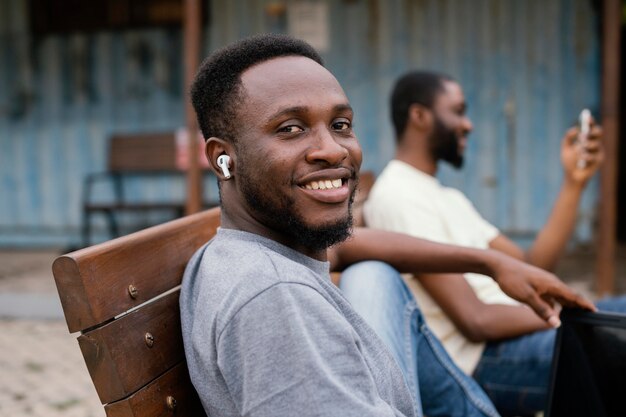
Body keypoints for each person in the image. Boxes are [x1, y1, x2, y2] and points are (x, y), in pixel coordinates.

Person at [180, 35, 594, 417]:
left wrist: (490, 264)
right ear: (223, 159)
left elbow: (350, 246)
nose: (332, 149)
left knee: (373, 274)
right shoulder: (275, 298)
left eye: (341, 125)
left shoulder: (251, 251)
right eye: (290, 129)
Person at [346, 70, 626, 416]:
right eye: (458, 111)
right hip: (486, 360)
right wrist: (574, 314)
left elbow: (532, 266)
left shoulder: (446, 197)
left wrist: (574, 183)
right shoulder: (396, 194)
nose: (468, 125)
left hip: (515, 338)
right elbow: (475, 320)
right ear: (419, 116)